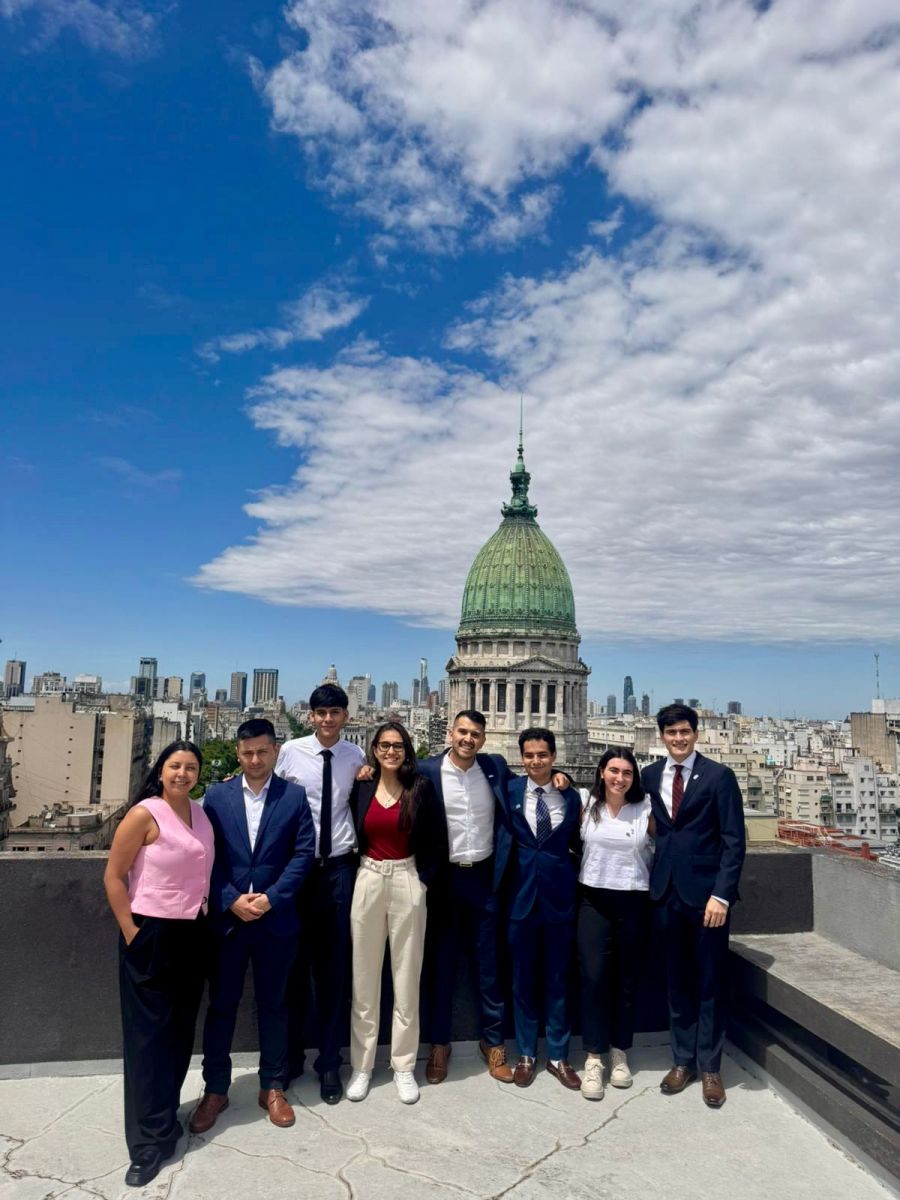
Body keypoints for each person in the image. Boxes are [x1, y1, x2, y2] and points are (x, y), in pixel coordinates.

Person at [417, 710, 572, 1085]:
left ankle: (493, 1044)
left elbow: (530, 785)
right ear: (450, 733)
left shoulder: (495, 768)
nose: (468, 739)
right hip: (444, 882)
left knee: (491, 968)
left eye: (475, 734)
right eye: (462, 732)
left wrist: (559, 778)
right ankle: (439, 1045)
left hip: (487, 881)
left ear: (484, 740)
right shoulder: (426, 771)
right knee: (442, 968)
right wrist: (366, 772)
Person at [189, 719, 315, 1135]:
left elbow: (303, 855)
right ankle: (216, 1089)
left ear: (275, 750)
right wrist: (229, 898)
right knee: (222, 1006)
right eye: (247, 753)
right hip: (229, 922)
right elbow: (207, 857)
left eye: (262, 751)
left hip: (276, 919)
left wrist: (272, 897)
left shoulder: (294, 797)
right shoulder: (217, 796)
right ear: (238, 753)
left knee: (275, 1005)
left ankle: (272, 1085)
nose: (255, 760)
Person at [103, 740, 214, 1188]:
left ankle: (166, 1119)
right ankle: (146, 1145)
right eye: (175, 766)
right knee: (147, 1039)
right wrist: (132, 931)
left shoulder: (200, 813)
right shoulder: (144, 813)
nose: (182, 774)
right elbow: (113, 875)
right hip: (151, 932)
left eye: (190, 768)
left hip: (192, 932)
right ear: (161, 770)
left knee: (179, 1032)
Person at [641, 704, 746, 1108]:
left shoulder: (719, 776)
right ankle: (682, 1060)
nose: (679, 739)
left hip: (707, 898)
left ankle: (711, 1068)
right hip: (665, 893)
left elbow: (734, 840)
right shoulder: (650, 776)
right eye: (671, 733)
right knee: (676, 981)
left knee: (709, 983)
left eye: (685, 732)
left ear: (696, 734)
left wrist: (722, 894)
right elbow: (612, 794)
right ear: (661, 737)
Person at [276, 684, 366, 1103]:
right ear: (310, 716)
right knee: (291, 969)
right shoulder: (290, 752)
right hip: (297, 871)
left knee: (333, 973)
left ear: (346, 716)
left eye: (335, 712)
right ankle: (291, 1056)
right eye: (320, 713)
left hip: (339, 871)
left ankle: (329, 1062)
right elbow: (267, 798)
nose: (327, 719)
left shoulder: (357, 758)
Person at [344, 721, 442, 1105]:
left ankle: (402, 1065)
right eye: (384, 745)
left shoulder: (421, 787)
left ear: (407, 749)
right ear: (373, 749)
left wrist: (421, 882)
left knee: (406, 979)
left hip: (407, 876)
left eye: (397, 745)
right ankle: (362, 1066)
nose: (390, 751)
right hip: (368, 877)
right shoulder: (362, 785)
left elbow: (436, 839)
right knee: (363, 980)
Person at [496, 727, 582, 1091]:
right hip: (520, 898)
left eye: (542, 755)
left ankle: (559, 1056)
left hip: (559, 898)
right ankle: (527, 1054)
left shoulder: (571, 795)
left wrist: (570, 779)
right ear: (521, 758)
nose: (536, 761)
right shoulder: (509, 790)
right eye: (529, 756)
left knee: (559, 980)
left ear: (553, 757)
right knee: (523, 981)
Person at [576, 747, 654, 1101]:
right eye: (613, 771)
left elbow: (672, 840)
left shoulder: (646, 807)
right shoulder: (583, 801)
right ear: (602, 772)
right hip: (593, 900)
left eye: (626, 772)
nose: (619, 778)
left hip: (634, 899)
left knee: (627, 980)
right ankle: (594, 1056)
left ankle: (620, 1052)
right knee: (593, 978)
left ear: (634, 777)